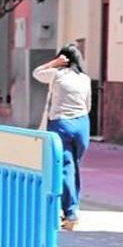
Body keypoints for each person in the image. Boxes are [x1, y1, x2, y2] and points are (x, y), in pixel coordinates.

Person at [33, 43, 91, 230]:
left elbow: (37, 73)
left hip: (61, 124)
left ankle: (70, 212)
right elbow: (88, 104)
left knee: (66, 167)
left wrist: (53, 63)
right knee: (74, 166)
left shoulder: (57, 75)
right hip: (82, 124)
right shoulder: (85, 78)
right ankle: (71, 208)